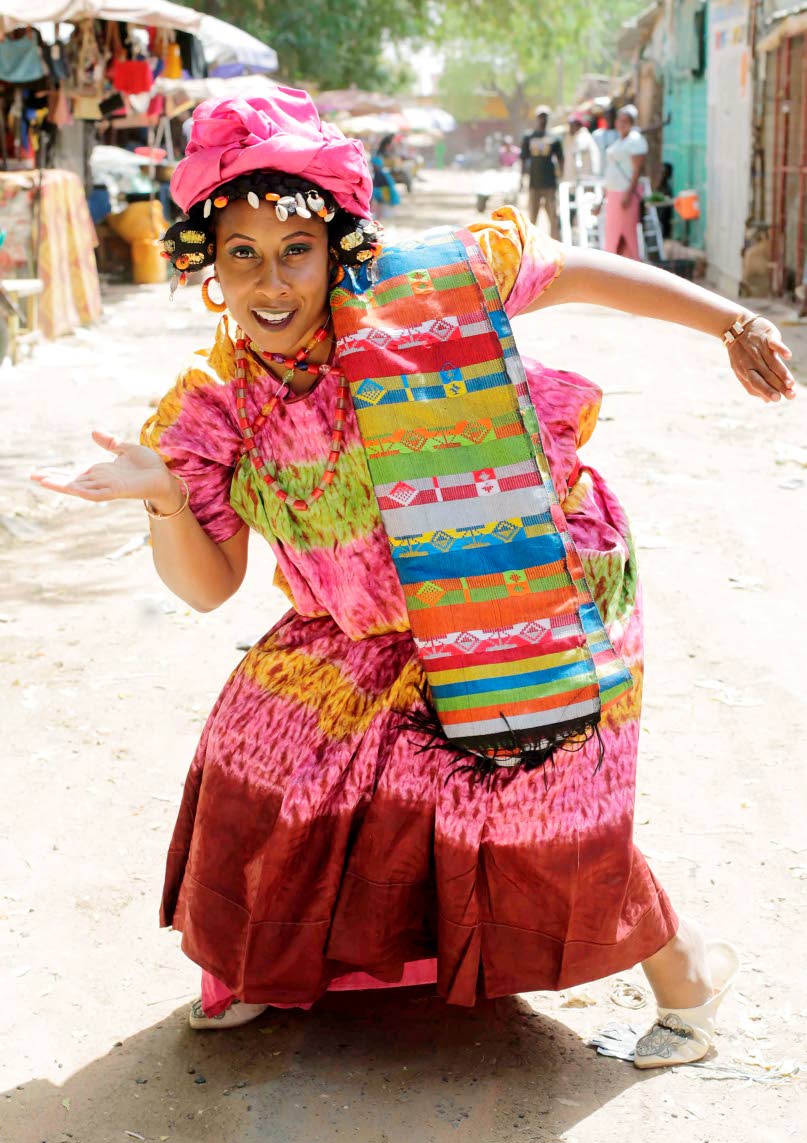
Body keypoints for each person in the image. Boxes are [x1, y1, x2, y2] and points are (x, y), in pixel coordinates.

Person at [32, 88, 796, 1069]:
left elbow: (569, 269)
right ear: (208, 267)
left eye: (296, 249)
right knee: (262, 745)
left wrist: (732, 321)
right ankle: (264, 962)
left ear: (338, 249)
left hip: (519, 590)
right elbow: (210, 589)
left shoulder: (424, 290)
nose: (273, 281)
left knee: (523, 790)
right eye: (242, 255)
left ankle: (688, 972)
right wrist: (165, 497)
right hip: (360, 625)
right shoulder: (212, 407)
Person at [597, 104, 648, 259]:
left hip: (625, 194)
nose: (621, 124)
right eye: (620, 120)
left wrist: (628, 193)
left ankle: (632, 267)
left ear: (631, 123)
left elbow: (637, 170)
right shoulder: (619, 141)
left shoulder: (635, 140)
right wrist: (602, 199)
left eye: (626, 121)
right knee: (613, 235)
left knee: (626, 234)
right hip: (613, 194)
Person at [520, 105, 564, 237]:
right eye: (540, 116)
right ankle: (531, 243)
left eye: (545, 117)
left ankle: (555, 242)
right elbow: (523, 159)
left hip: (550, 184)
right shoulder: (529, 137)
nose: (543, 119)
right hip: (534, 183)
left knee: (553, 216)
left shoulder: (554, 138)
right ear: (537, 118)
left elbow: (561, 159)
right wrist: (521, 179)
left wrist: (561, 176)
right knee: (532, 217)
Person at [562, 114, 601, 184]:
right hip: (582, 179)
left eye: (572, 125)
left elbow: (577, 159)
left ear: (579, 125)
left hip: (584, 179)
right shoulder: (575, 136)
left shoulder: (582, 137)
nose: (570, 127)